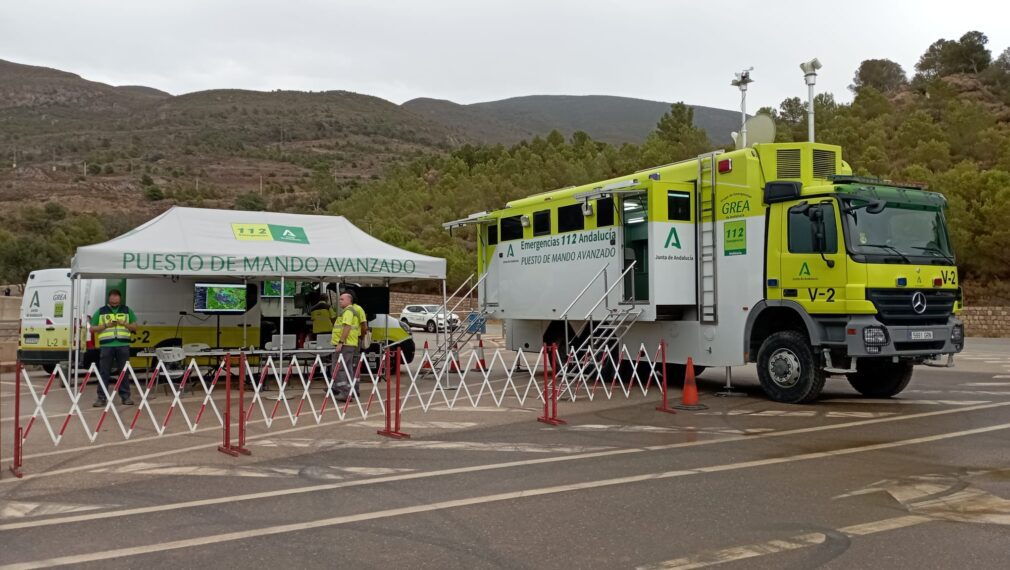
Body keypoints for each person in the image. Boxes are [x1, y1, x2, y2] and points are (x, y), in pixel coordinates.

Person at [90, 289, 138, 406]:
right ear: (109, 298)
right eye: (112, 297)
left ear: (120, 298)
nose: (114, 300)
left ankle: (125, 397)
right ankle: (101, 398)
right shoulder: (101, 311)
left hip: (123, 345)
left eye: (116, 297)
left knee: (124, 372)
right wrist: (106, 325)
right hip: (106, 346)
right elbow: (92, 328)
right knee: (104, 372)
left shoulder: (127, 310)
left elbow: (135, 327)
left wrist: (124, 324)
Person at [331, 292, 361, 402]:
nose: (340, 301)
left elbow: (347, 327)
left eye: (342, 299)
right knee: (348, 369)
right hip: (350, 344)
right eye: (340, 299)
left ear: (349, 300)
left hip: (345, 344)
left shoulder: (348, 311)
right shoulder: (351, 311)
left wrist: (340, 342)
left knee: (339, 368)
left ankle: (344, 392)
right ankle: (350, 391)